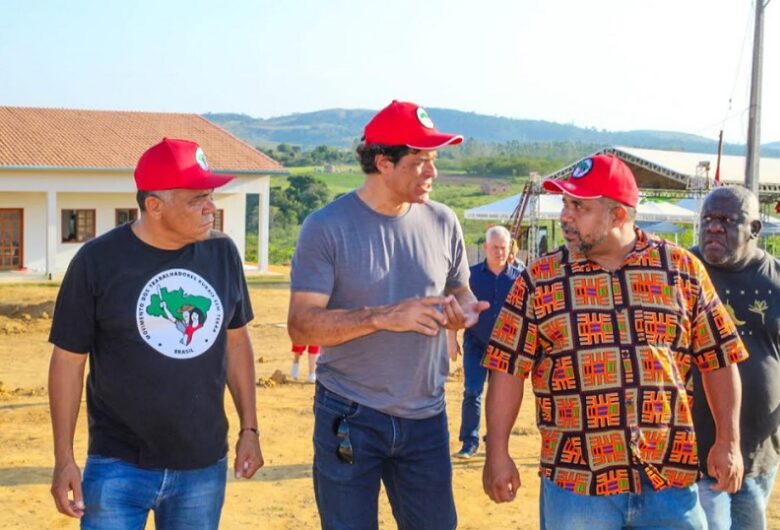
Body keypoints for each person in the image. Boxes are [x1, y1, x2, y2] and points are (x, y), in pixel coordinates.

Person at [481, 154, 749, 529]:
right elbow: (507, 368)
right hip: (577, 484)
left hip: (668, 480)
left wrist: (728, 441)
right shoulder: (540, 280)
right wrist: (497, 452)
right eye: (565, 203)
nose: (565, 216)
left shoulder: (680, 270)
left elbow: (719, 357)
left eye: (579, 206)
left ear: (618, 216)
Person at [288, 100, 489, 530]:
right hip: (351, 413)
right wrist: (382, 316)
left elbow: (460, 288)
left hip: (427, 418)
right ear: (383, 163)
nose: (432, 172)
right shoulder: (326, 227)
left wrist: (464, 310)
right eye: (419, 162)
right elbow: (302, 323)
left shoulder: (443, 221)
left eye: (433, 160)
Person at [48, 138, 264, 529]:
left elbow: (236, 342)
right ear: (154, 206)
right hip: (117, 467)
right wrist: (64, 458)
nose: (211, 208)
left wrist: (250, 428)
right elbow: (67, 361)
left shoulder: (223, 254)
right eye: (197, 199)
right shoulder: (97, 262)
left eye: (211, 196)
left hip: (202, 467)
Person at [691, 185, 780, 530]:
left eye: (727, 220)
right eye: (707, 219)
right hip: (693, 457)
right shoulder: (682, 274)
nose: (714, 227)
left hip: (761, 458)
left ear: (755, 229)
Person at [452, 225, 521, 459]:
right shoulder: (469, 277)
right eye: (495, 247)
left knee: (498, 397)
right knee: (472, 391)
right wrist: (452, 338)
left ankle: (493, 441)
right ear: (485, 248)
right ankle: (469, 442)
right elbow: (453, 304)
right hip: (476, 343)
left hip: (505, 347)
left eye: (503, 248)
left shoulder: (519, 279)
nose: (499, 252)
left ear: (510, 248)